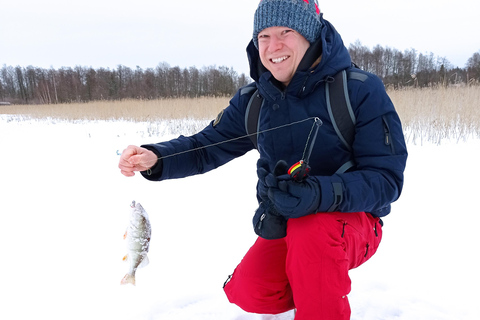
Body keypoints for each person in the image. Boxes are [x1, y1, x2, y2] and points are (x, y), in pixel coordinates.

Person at [118, 0, 408, 319]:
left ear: (310, 33)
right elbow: (205, 146)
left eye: (286, 32)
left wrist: (319, 194)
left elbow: (386, 180)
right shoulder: (254, 101)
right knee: (249, 291)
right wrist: (156, 157)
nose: (274, 46)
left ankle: (321, 300)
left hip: (356, 224)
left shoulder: (358, 91)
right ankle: (317, 284)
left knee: (312, 231)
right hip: (289, 223)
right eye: (264, 36)